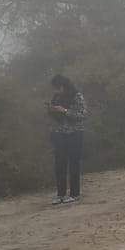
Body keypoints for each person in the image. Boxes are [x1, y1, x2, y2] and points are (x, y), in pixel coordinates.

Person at [48, 75, 88, 205]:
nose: (55, 91)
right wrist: (52, 110)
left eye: (57, 88)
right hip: (60, 133)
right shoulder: (56, 97)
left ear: (63, 86)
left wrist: (65, 110)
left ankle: (75, 194)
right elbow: (54, 116)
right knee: (59, 164)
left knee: (74, 164)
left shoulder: (77, 96)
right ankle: (60, 194)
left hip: (75, 133)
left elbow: (82, 115)